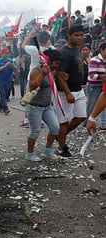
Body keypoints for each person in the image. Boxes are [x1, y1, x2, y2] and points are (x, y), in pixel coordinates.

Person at [54, 25, 87, 157]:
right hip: (65, 92)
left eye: (81, 35)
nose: (79, 38)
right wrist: (67, 93)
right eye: (76, 35)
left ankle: (59, 136)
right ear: (69, 36)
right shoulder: (64, 52)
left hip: (79, 90)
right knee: (64, 121)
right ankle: (62, 147)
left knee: (81, 116)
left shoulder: (77, 49)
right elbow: (59, 74)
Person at [25, 49, 61, 161]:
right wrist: (43, 74)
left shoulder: (52, 71)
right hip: (35, 107)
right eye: (56, 63)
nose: (57, 65)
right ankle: (30, 154)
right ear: (48, 61)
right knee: (35, 131)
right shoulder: (37, 71)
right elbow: (33, 86)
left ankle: (48, 151)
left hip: (47, 106)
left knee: (55, 128)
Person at [85, 42, 106, 129]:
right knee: (91, 105)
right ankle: (87, 121)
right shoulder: (94, 60)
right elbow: (91, 76)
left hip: (103, 85)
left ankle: (104, 124)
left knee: (104, 105)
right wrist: (103, 77)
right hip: (94, 86)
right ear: (101, 50)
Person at [0, 47, 17, 115]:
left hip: (8, 80)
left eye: (7, 54)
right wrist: (5, 66)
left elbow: (15, 70)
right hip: (0, 80)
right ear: (2, 54)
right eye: (5, 54)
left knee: (6, 95)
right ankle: (5, 109)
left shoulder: (11, 60)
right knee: (3, 94)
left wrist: (12, 65)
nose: (6, 55)